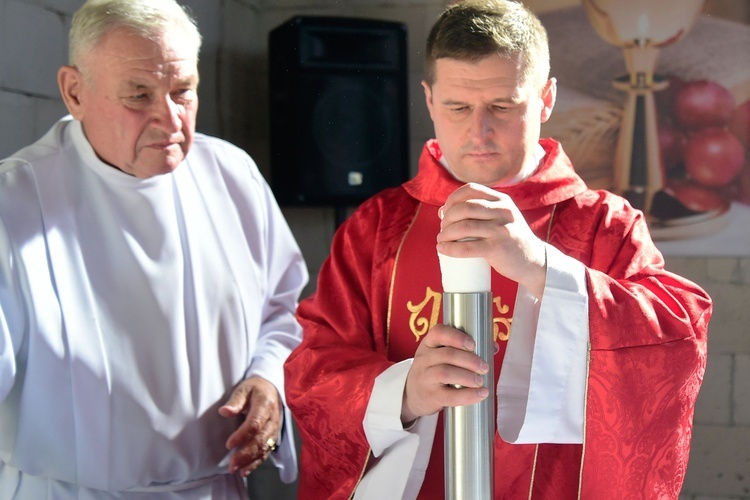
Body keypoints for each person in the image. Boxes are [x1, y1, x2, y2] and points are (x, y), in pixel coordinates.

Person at [284, 0, 712, 498]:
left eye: (503, 107)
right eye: (458, 107)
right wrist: (403, 392)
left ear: (546, 98)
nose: (478, 132)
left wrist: (543, 268)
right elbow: (312, 366)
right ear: (428, 99)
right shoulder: (378, 227)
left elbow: (676, 335)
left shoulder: (603, 225)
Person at [0, 0, 308, 498]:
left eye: (183, 91)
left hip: (215, 488)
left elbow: (283, 308)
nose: (169, 120)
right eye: (139, 96)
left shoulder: (233, 177)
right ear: (74, 92)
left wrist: (269, 378)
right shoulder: (15, 204)